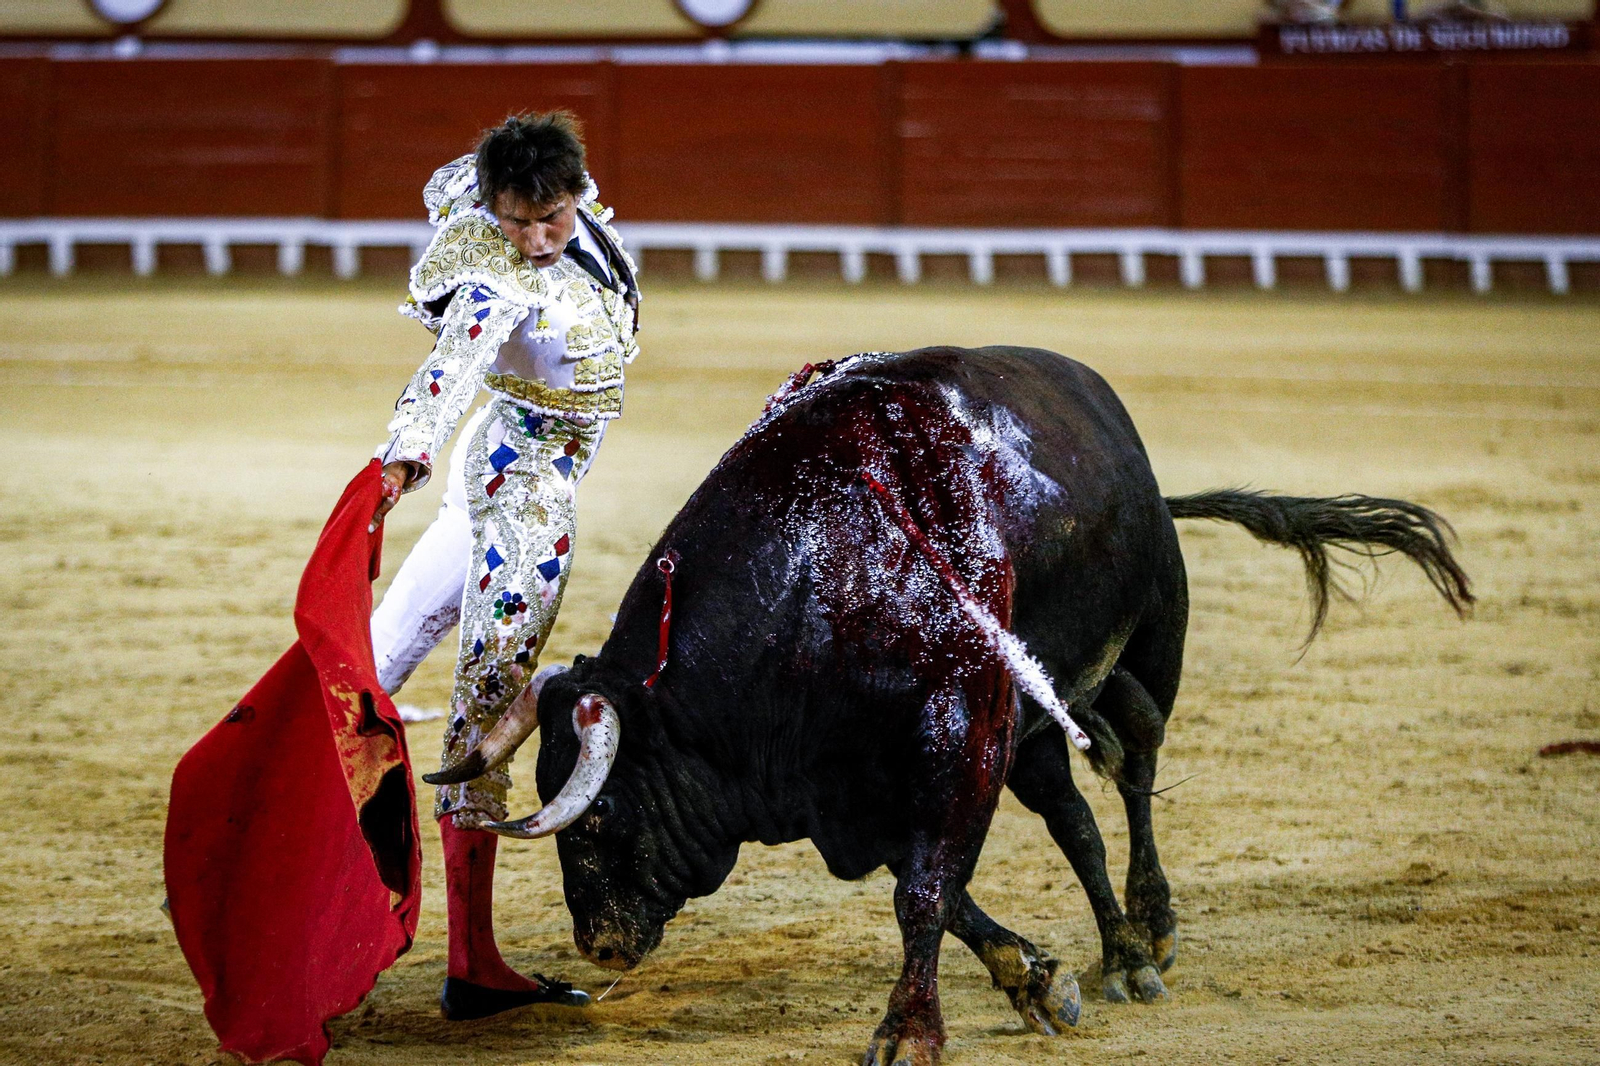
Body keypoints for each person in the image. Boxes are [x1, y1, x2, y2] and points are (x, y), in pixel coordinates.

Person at [367, 110, 640, 1021]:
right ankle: (473, 965)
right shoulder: (490, 271)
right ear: (492, 212)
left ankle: (287, 859)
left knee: (375, 662)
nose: (533, 239)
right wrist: (403, 455)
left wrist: (498, 176)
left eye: (550, 218)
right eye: (514, 220)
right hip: (523, 494)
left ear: (578, 193)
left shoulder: (568, 205)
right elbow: (449, 369)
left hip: (504, 465)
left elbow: (454, 175)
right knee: (482, 716)